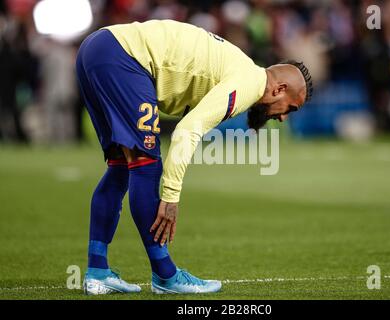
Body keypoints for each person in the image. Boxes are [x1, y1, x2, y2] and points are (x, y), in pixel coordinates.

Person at [75, 19, 312, 295]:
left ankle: (98, 271)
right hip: (123, 57)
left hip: (96, 49)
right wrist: (171, 196)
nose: (283, 118)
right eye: (290, 108)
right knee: (146, 166)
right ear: (279, 89)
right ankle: (165, 275)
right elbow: (187, 130)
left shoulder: (243, 68)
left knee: (121, 168)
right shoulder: (249, 83)